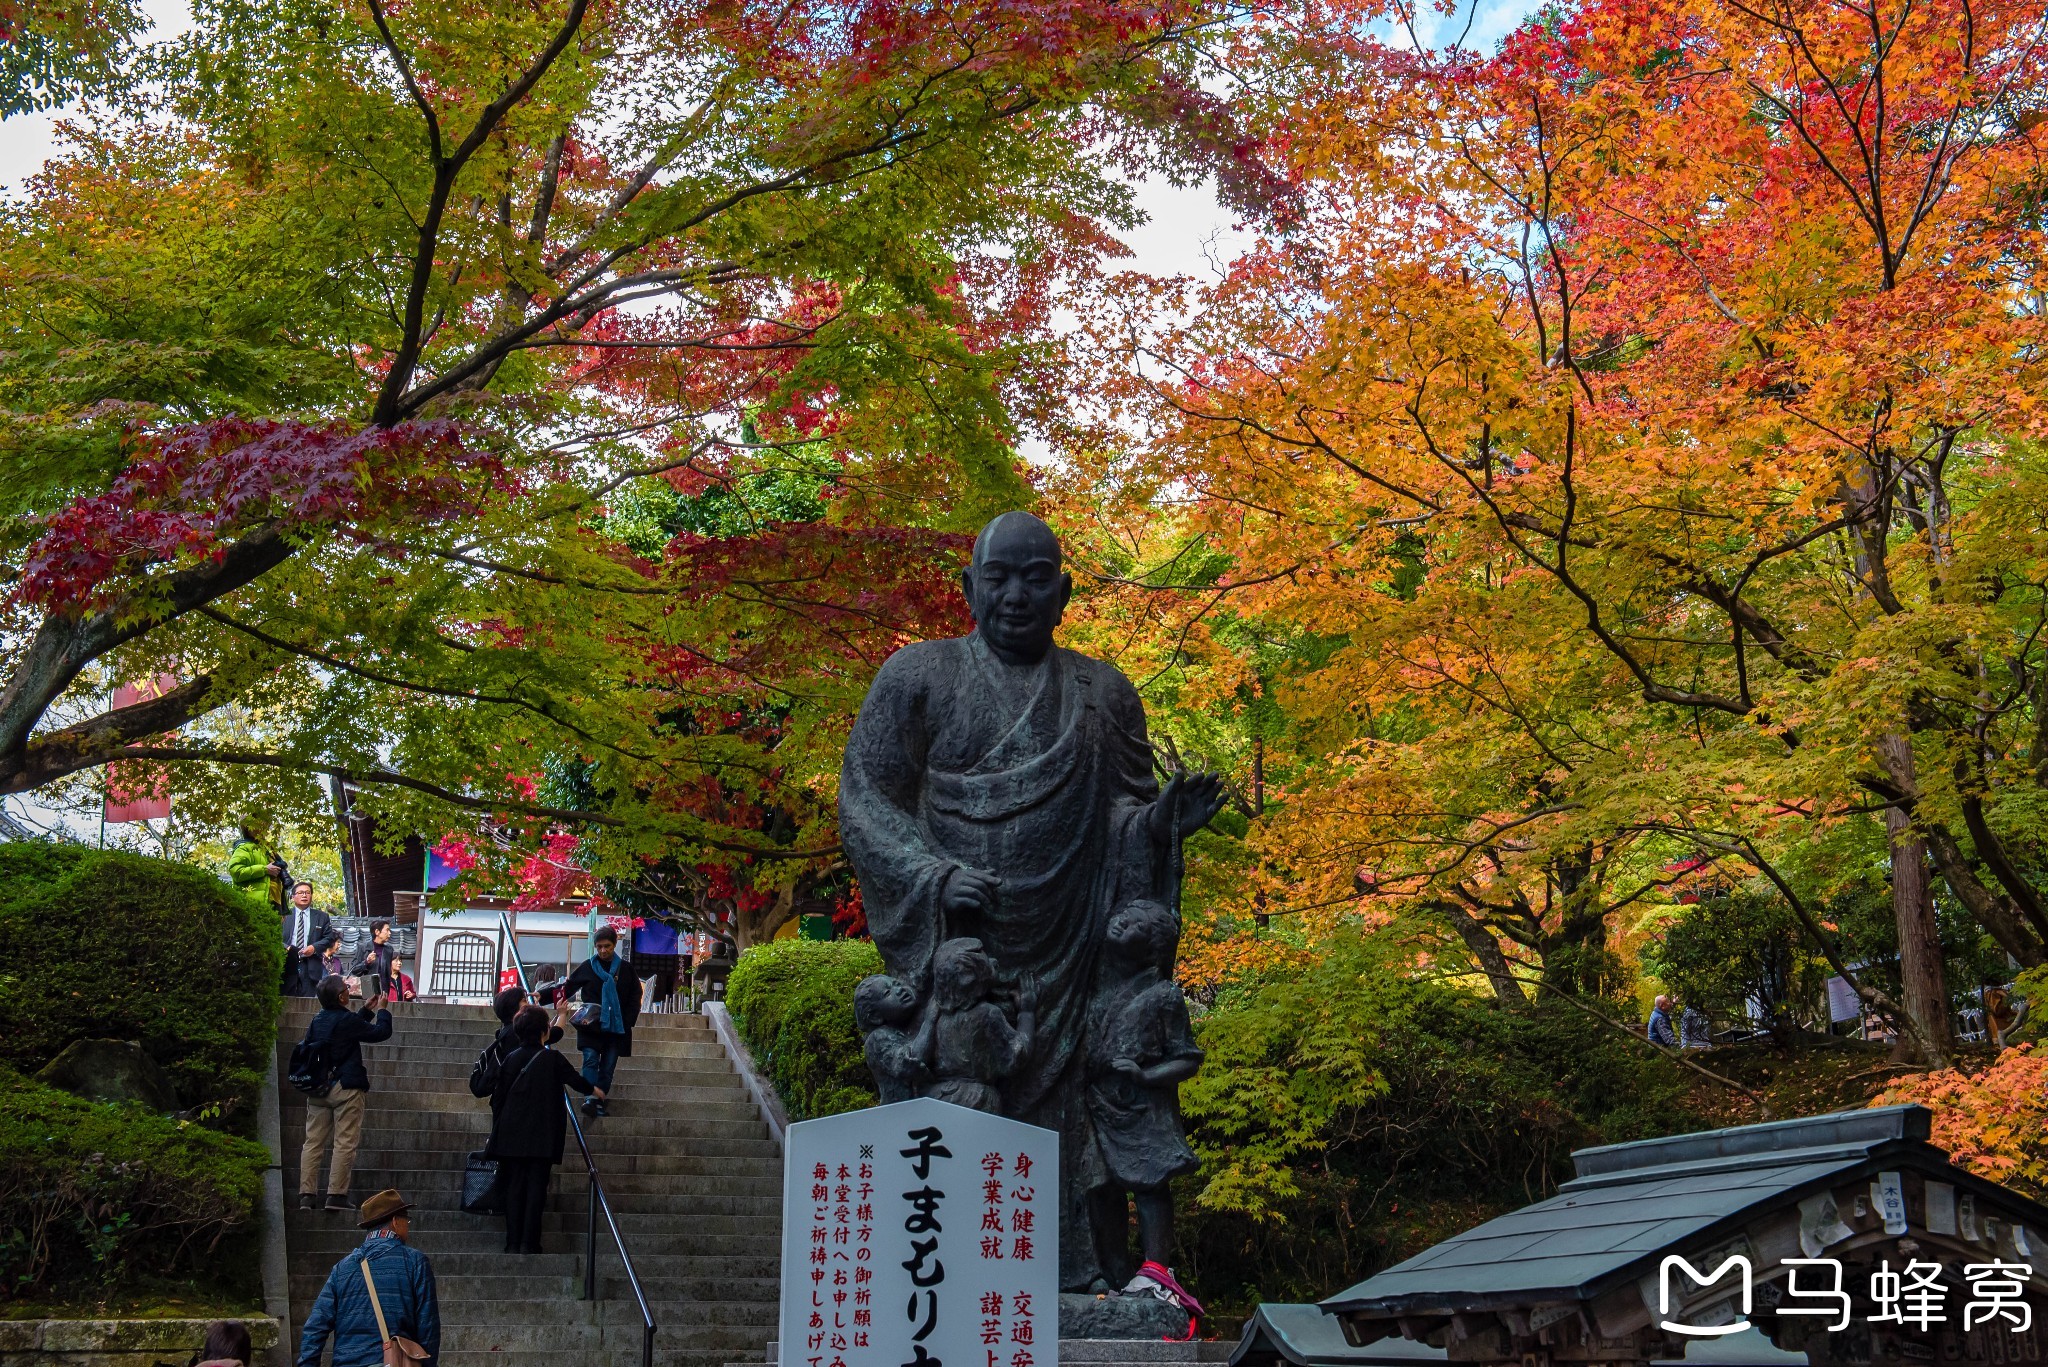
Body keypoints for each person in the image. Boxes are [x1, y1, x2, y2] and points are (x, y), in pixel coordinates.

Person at [837, 511, 1226, 1290]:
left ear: (1065, 591)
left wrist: (1160, 825)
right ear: (968, 587)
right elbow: (866, 800)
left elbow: (1123, 816)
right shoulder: (917, 678)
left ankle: (1089, 1272)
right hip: (959, 949)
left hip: (1073, 954)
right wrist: (935, 876)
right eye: (999, 576)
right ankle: (944, 1283)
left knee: (1075, 1128)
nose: (1016, 594)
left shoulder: (1104, 693)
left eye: (1036, 577)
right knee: (960, 1110)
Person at [486, 1005, 600, 1254]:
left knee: (514, 1186)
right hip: (542, 1135)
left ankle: (512, 1242)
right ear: (543, 1031)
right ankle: (530, 1242)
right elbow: (575, 1080)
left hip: (512, 1135)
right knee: (537, 1187)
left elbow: (498, 1097)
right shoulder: (552, 1059)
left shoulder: (511, 1058)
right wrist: (595, 1091)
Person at [296, 1189, 440, 1367]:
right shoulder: (414, 1262)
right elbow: (428, 1325)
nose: (408, 1226)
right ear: (395, 1222)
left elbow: (316, 1325)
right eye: (406, 1220)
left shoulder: (342, 1268)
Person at [298, 975, 394, 1213]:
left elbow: (343, 1030)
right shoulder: (346, 1020)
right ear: (341, 997)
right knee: (344, 1142)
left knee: (313, 1143)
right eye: (346, 989)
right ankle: (336, 1195)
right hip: (345, 1088)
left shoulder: (317, 1020)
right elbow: (380, 1033)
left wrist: (365, 1010)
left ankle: (306, 1196)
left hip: (318, 1087)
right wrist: (382, 1011)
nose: (349, 990)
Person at [563, 926, 641, 1118]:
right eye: (599, 947)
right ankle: (590, 1097)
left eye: (607, 946)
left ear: (614, 945)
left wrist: (628, 1020)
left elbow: (634, 996)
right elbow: (568, 988)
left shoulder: (626, 969)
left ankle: (598, 1100)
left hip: (616, 1027)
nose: (603, 950)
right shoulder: (588, 967)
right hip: (591, 1025)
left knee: (608, 1066)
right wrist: (543, 995)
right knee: (590, 1058)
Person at [280, 880, 339, 998]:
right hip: (287, 962)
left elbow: (328, 937)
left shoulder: (322, 916)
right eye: (300, 892)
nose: (304, 895)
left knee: (307, 1002)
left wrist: (314, 948)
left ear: (311, 896)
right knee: (285, 1000)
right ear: (292, 897)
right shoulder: (283, 915)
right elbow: (274, 936)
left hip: (311, 965)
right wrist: (287, 948)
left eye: (307, 893)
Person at [230, 822, 290, 910]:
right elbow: (236, 871)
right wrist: (264, 869)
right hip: (253, 905)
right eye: (256, 826)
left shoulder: (269, 850)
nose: (261, 828)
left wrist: (282, 908)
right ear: (248, 829)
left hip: (275, 903)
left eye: (264, 825)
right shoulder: (244, 847)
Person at [353, 919, 398, 999]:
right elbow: (354, 970)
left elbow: (388, 973)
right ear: (377, 932)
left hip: (384, 993)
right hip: (367, 992)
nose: (389, 933)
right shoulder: (363, 947)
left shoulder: (389, 950)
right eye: (387, 930)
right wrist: (366, 962)